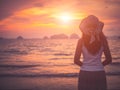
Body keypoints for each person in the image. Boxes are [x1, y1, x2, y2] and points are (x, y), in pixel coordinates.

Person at [74, 15, 112, 90]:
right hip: (99, 73)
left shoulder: (81, 41)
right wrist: (98, 65)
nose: (91, 29)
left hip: (85, 73)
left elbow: (76, 60)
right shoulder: (103, 41)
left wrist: (86, 65)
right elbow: (109, 59)